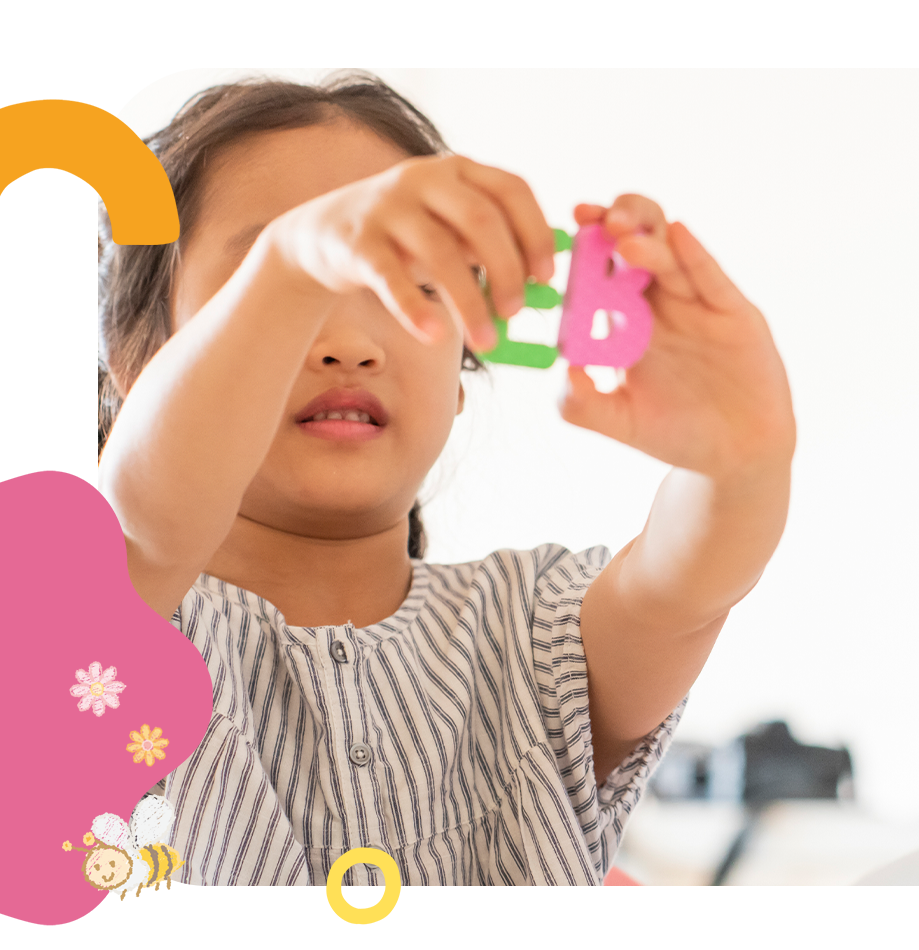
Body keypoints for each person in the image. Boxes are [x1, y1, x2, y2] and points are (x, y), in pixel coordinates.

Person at [95, 72, 795, 886]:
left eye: (407, 288)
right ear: (139, 365)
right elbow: (142, 522)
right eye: (280, 284)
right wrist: (292, 262)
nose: (351, 343)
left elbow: (688, 580)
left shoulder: (535, 637)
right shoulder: (108, 632)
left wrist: (742, 461)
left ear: (461, 374)